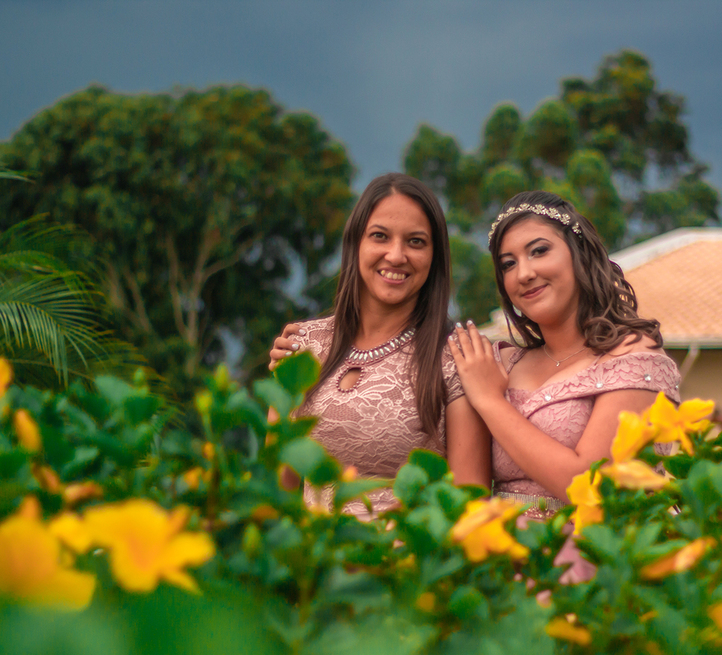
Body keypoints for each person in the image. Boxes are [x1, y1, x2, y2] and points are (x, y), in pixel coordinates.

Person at [448, 191, 681, 580]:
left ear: (578, 255)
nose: (523, 273)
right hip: (501, 569)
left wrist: (491, 401)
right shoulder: (502, 363)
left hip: (588, 570)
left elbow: (587, 484)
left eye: (539, 251)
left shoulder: (631, 356)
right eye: (508, 264)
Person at [267, 174, 490, 516]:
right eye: (380, 236)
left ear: (435, 257)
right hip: (312, 561)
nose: (396, 255)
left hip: (401, 561)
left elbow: (469, 506)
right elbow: (275, 489)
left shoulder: (456, 358)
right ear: (355, 242)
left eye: (416, 242)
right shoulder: (302, 347)